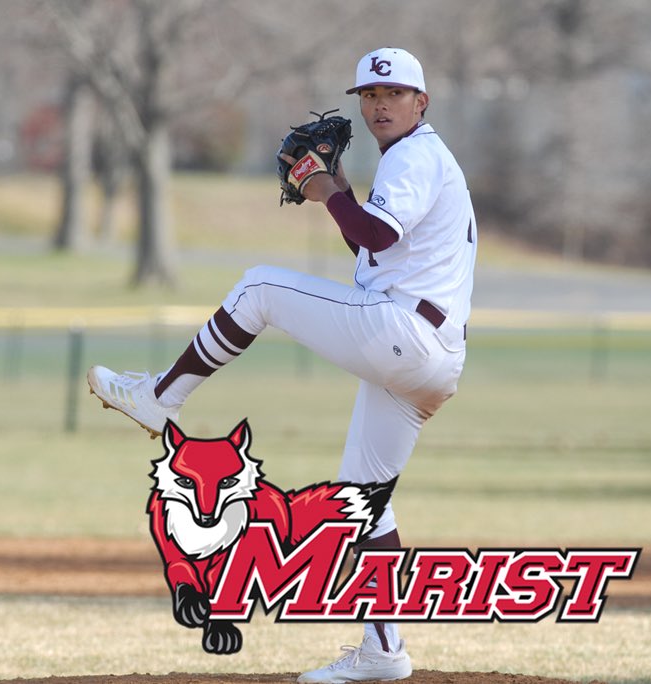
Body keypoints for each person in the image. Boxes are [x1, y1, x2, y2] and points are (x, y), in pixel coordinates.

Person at [87, 46, 477, 683]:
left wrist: (323, 190)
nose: (380, 104)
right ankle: (384, 651)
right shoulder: (417, 159)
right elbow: (373, 245)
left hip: (405, 332)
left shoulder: (414, 155)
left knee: (260, 288)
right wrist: (340, 191)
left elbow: (377, 235)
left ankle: (161, 398)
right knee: (363, 502)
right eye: (370, 95)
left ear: (421, 102)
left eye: (394, 94)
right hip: (430, 357)